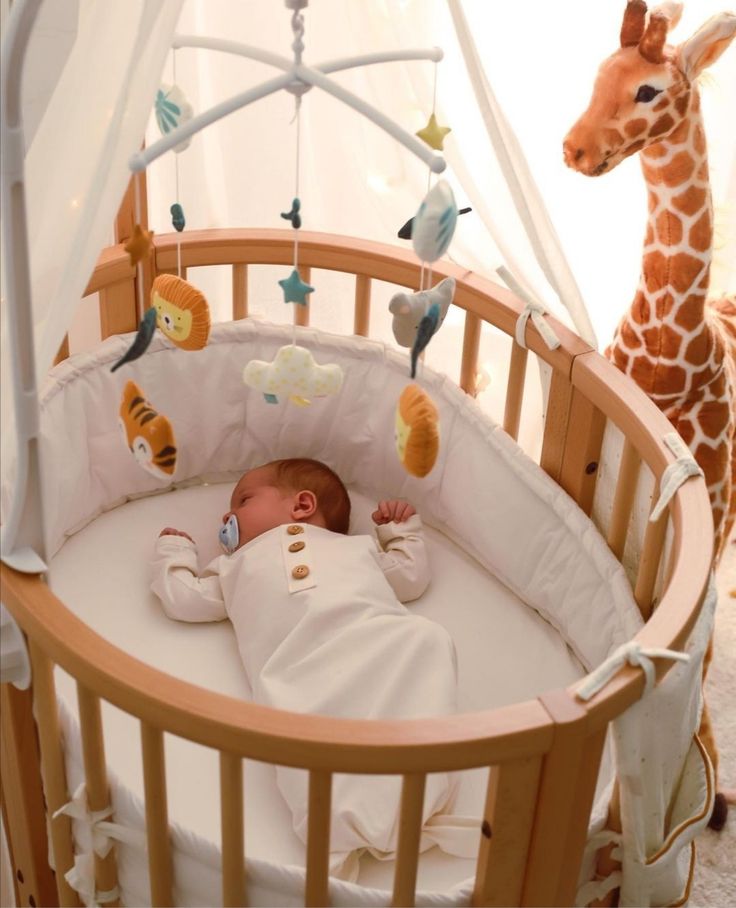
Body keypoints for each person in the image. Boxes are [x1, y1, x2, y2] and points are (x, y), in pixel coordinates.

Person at [151, 457, 460, 876]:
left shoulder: (357, 547)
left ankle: (416, 771)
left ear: (301, 505)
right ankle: (334, 818)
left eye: (242, 500)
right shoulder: (231, 568)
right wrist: (176, 553)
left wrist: (399, 532)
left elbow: (409, 576)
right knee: (294, 716)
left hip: (373, 641)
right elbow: (184, 598)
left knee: (425, 639)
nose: (226, 516)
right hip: (298, 669)